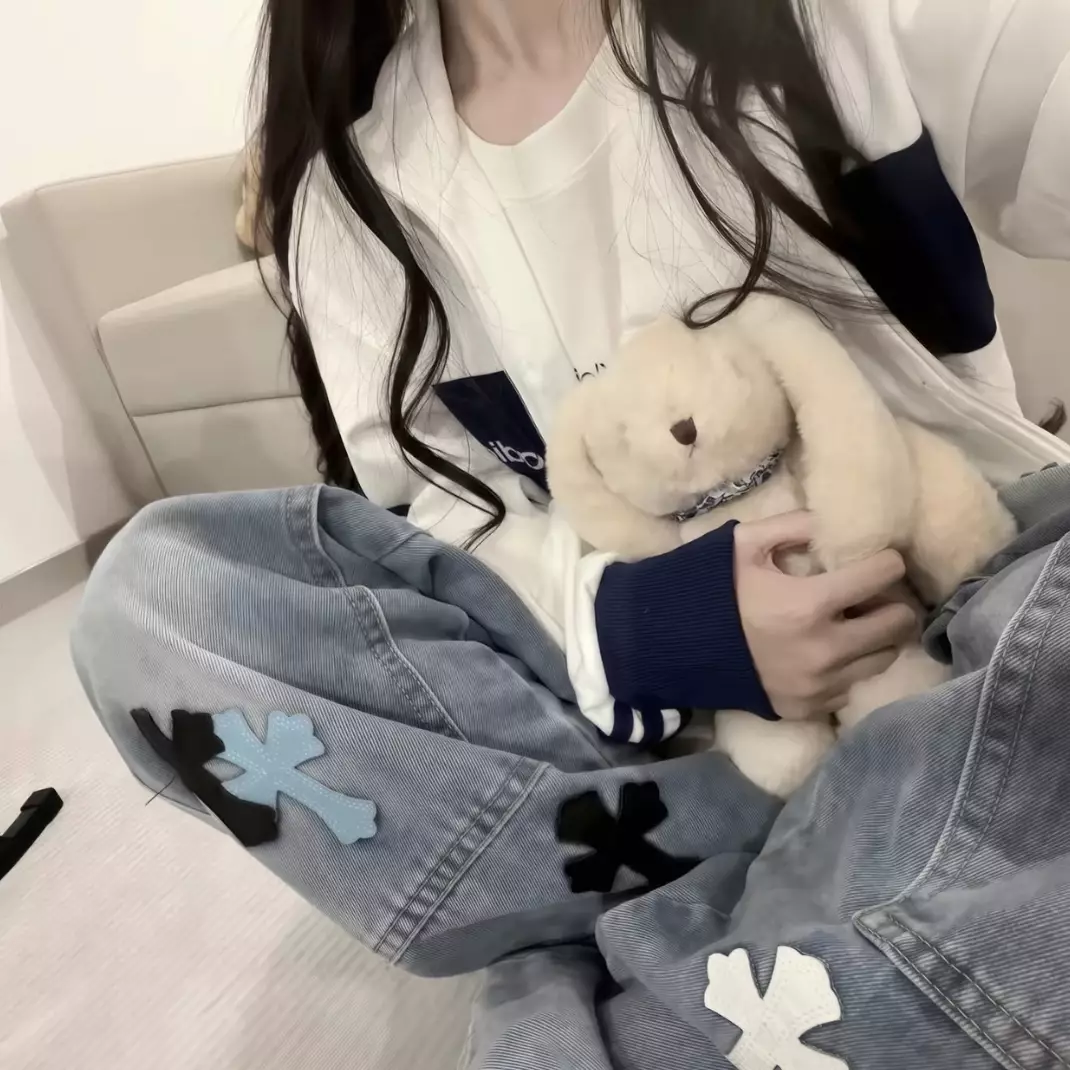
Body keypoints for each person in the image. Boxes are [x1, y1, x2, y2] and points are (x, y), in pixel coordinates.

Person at [73, 2, 1070, 1067]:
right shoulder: (347, 190)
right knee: (156, 601)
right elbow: (445, 520)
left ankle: (738, 935)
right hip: (620, 732)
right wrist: (658, 629)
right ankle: (809, 883)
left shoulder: (828, 19)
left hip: (952, 621)